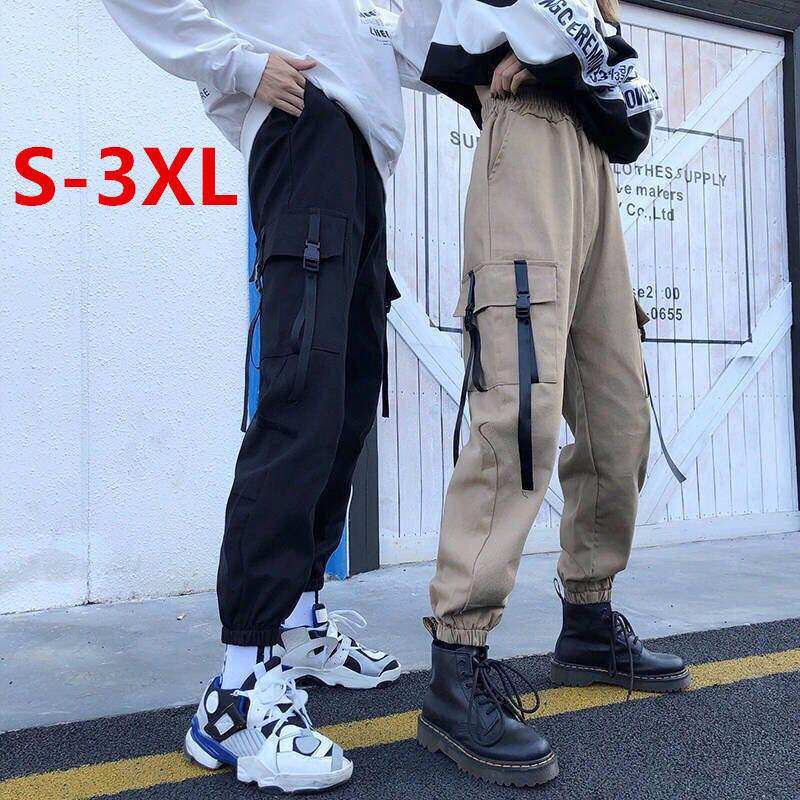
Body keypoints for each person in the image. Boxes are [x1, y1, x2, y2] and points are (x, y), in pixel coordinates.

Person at [99, 0, 439, 792]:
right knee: (300, 404)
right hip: (303, 133)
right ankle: (238, 689)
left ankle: (298, 625)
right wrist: (242, 65)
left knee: (346, 406)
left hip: (362, 162)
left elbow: (417, 50)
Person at [416, 0, 690, 786]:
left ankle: (589, 620)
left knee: (618, 416)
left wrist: (565, 56)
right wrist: (546, 57)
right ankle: (456, 667)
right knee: (519, 412)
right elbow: (474, 31)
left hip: (591, 159)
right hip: (526, 136)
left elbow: (625, 105)